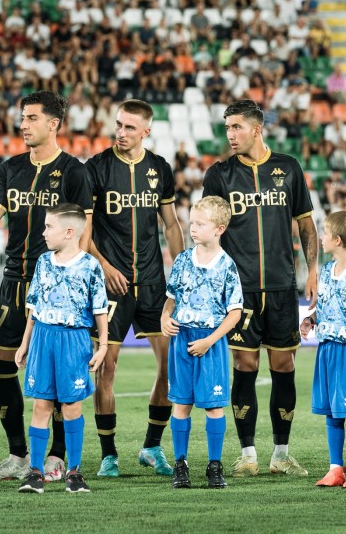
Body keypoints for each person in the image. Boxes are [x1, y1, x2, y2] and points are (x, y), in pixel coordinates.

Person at [0, 91, 93, 482]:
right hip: (14, 280)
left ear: (53, 123)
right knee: (1, 365)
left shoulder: (74, 172)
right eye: (22, 117)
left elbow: (82, 233)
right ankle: (17, 455)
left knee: (62, 372)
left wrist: (73, 281)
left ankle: (57, 455)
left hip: (56, 285)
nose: (23, 124)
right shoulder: (11, 167)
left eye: (31, 118)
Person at [202, 100, 319, 477]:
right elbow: (208, 229)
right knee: (245, 365)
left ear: (256, 128)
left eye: (236, 127)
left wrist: (313, 270)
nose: (230, 135)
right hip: (241, 290)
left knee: (283, 364)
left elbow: (306, 224)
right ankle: (248, 454)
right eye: (227, 128)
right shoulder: (219, 175)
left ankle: (281, 453)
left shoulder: (288, 168)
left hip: (283, 286)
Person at [85, 99, 184, 478]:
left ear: (146, 131)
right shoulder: (96, 168)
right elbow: (85, 232)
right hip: (112, 287)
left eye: (129, 127)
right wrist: (105, 266)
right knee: (106, 368)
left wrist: (183, 271)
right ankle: (109, 454)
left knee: (169, 366)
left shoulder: (160, 168)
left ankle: (151, 446)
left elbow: (171, 225)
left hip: (154, 284)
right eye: (118, 125)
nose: (121, 133)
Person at [15, 204, 108, 494]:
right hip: (43, 337)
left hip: (74, 340)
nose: (43, 232)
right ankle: (36, 473)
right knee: (41, 405)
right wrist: (24, 342)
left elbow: (100, 309)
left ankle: (74, 472)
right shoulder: (43, 261)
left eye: (48, 227)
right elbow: (35, 306)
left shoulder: (91, 266)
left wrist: (103, 344)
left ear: (70, 232)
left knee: (71, 405)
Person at [160, 196, 243, 489]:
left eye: (200, 224)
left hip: (211, 342)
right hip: (182, 339)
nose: (193, 228)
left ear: (219, 228)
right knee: (180, 404)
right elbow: (171, 299)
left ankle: (214, 465)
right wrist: (164, 318)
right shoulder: (182, 260)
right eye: (192, 222)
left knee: (213, 406)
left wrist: (209, 340)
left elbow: (235, 312)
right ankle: (180, 464)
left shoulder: (227, 266)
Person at [299, 211, 346, 489]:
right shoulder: (326, 272)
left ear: (338, 240)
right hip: (327, 349)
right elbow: (328, 306)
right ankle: (335, 469)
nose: (321, 238)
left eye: (325, 234)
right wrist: (311, 320)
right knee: (332, 412)